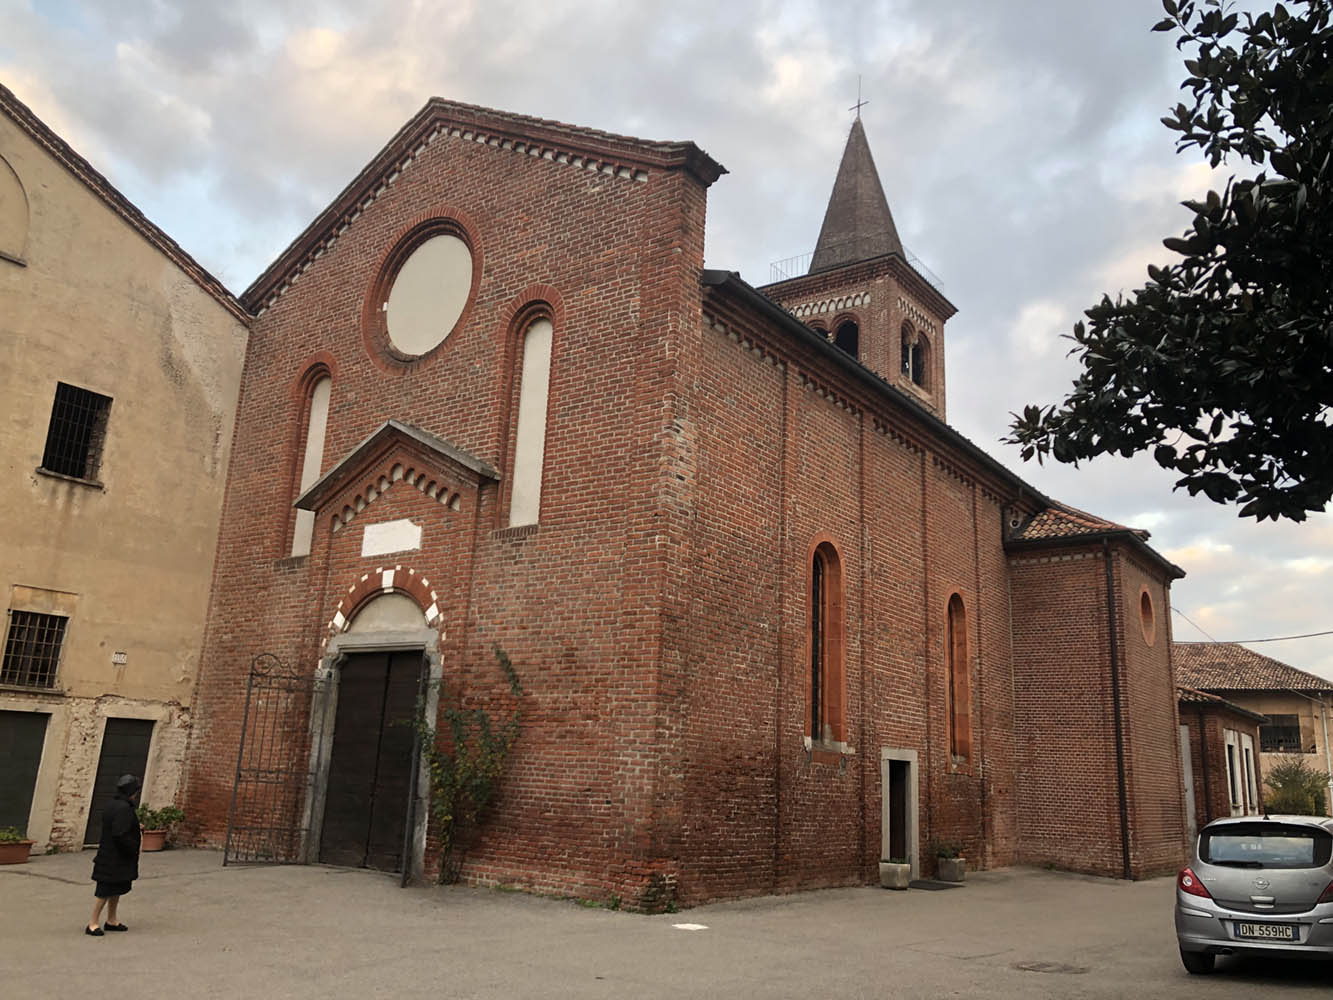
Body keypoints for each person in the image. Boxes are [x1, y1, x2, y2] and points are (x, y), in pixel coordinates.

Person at [87, 773, 141, 936]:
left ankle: (111, 919)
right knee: (104, 891)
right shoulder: (124, 808)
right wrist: (133, 848)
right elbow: (120, 833)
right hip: (115, 857)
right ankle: (92, 923)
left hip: (110, 854)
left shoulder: (113, 804)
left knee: (116, 888)